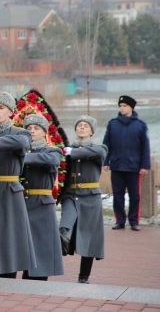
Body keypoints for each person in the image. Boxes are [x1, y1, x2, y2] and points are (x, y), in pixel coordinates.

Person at [0, 91, 35, 278]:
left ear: (11, 112)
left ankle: (8, 277)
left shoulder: (20, 133)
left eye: (1, 108)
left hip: (8, 193)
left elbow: (21, 142)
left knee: (9, 239)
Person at [59, 115, 108, 284]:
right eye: (79, 125)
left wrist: (74, 152)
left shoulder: (99, 149)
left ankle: (83, 277)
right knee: (65, 224)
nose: (82, 127)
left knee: (89, 238)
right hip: (71, 195)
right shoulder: (66, 149)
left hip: (90, 198)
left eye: (86, 126)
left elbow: (98, 152)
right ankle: (63, 240)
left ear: (91, 132)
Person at [21, 114, 64, 281]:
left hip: (41, 204)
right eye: (28, 128)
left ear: (44, 132)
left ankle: (38, 280)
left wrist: (19, 157)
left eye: (36, 128)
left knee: (41, 244)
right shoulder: (21, 149)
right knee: (24, 243)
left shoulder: (52, 150)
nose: (32, 131)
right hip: (22, 202)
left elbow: (49, 160)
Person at [102, 95, 150, 231]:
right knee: (118, 195)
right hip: (117, 165)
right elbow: (107, 145)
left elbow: (145, 147)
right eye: (120, 106)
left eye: (124, 106)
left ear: (131, 107)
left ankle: (134, 221)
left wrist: (145, 165)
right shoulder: (113, 124)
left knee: (134, 196)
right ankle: (120, 221)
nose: (122, 108)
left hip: (134, 167)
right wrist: (106, 161)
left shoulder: (140, 125)